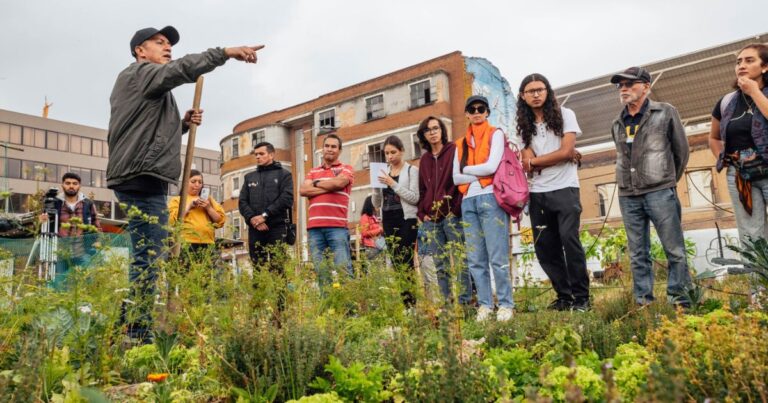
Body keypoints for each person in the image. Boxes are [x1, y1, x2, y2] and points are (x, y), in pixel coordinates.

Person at [107, 25, 263, 342]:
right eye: (159, 42)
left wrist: (181, 124)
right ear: (140, 50)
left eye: (169, 44)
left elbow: (148, 135)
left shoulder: (147, 86)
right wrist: (225, 53)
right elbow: (182, 69)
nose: (168, 48)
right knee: (148, 255)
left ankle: (132, 325)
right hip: (139, 179)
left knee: (148, 254)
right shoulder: (142, 74)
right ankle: (136, 331)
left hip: (143, 177)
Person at [609, 66, 692, 306]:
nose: (623, 89)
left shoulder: (665, 112)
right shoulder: (617, 122)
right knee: (637, 253)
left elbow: (681, 152)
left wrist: (666, 181)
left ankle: (681, 302)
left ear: (646, 86)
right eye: (620, 86)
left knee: (674, 249)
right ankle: (643, 302)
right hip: (628, 194)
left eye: (629, 84)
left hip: (659, 192)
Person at [517, 74, 590, 312]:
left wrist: (542, 160)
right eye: (531, 91)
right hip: (538, 192)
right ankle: (564, 296)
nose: (536, 94)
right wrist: (559, 156)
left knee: (570, 241)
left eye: (540, 89)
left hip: (566, 187)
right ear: (523, 96)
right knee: (546, 247)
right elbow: (526, 163)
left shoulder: (565, 114)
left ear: (547, 91)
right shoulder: (521, 125)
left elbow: (567, 150)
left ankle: (582, 298)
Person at [453, 95, 514, 322]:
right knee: (475, 258)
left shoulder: (495, 133)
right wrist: (476, 171)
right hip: (468, 200)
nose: (477, 112)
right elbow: (455, 177)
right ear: (467, 113)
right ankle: (485, 305)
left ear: (487, 112)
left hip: (490, 196)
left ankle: (506, 304)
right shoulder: (459, 144)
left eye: (481, 108)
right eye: (472, 109)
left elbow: (492, 166)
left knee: (497, 256)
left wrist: (467, 169)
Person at [709, 44, 768, 245]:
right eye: (738, 61)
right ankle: (757, 276)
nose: (741, 65)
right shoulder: (726, 102)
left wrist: (754, 92)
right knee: (751, 232)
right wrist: (722, 158)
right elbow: (714, 137)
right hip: (741, 175)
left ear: (765, 67)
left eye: (749, 60)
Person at [416, 116, 473, 306]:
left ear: (442, 130)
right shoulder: (423, 160)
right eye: (428, 130)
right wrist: (422, 214)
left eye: (435, 128)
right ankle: (448, 305)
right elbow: (422, 189)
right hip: (431, 220)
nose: (432, 132)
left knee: (460, 260)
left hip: (452, 216)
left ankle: (465, 304)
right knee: (440, 264)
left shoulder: (454, 150)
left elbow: (461, 181)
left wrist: (455, 209)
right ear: (423, 135)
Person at [299, 134, 355, 286]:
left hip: (337, 227)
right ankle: (328, 309)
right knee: (321, 273)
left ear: (339, 150)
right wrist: (327, 186)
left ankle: (350, 309)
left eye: (333, 146)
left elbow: (340, 183)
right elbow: (303, 190)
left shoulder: (346, 169)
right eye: (327, 146)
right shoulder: (313, 171)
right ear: (322, 149)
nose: (330, 149)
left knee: (343, 270)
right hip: (314, 230)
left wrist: (315, 184)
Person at [373, 135, 419, 306]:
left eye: (393, 152)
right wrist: (376, 189)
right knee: (395, 262)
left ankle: (412, 304)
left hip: (406, 219)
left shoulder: (411, 170)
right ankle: (405, 303)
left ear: (402, 151)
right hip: (388, 220)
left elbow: (414, 198)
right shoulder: (383, 172)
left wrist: (392, 183)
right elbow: (377, 204)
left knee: (406, 261)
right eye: (386, 153)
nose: (390, 156)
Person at [238, 142, 294, 271]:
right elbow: (242, 202)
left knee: (278, 267)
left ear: (271, 155)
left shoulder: (284, 175)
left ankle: (280, 292)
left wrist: (265, 215)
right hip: (255, 229)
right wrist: (253, 219)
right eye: (256, 154)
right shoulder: (249, 177)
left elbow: (287, 199)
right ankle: (260, 292)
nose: (258, 157)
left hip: (277, 228)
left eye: (261, 154)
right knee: (258, 267)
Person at [40, 172, 101, 289]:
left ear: (79, 186)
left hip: (83, 251)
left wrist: (97, 240)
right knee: (59, 283)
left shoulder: (87, 203)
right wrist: (42, 221)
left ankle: (84, 306)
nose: (71, 186)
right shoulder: (54, 203)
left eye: (74, 183)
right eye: (68, 183)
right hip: (60, 252)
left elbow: (96, 223)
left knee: (86, 283)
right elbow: (44, 225)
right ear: (62, 185)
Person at [168, 169, 225, 259]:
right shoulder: (177, 200)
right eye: (193, 181)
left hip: (207, 242)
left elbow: (221, 220)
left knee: (206, 272)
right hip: (185, 243)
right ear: (185, 183)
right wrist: (189, 206)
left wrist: (208, 208)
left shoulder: (209, 200)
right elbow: (172, 220)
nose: (197, 185)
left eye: (200, 182)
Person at [359, 195, 384, 261]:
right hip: (371, 247)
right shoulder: (365, 217)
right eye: (376, 202)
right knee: (374, 269)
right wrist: (379, 229)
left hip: (378, 246)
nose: (377, 205)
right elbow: (364, 233)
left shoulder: (374, 217)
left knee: (380, 269)